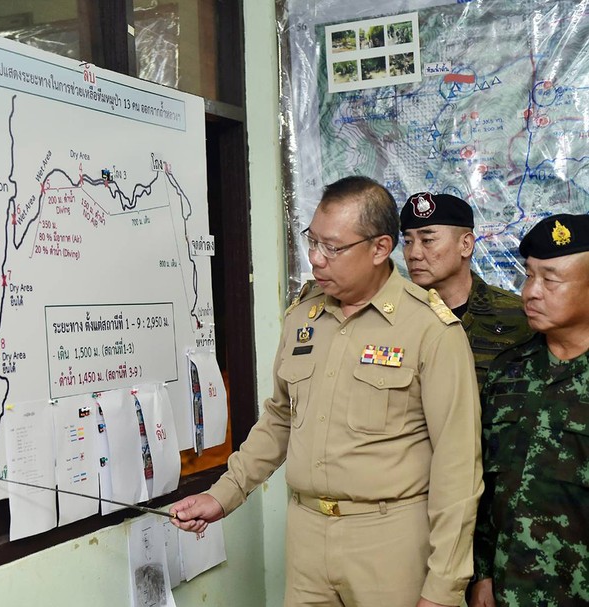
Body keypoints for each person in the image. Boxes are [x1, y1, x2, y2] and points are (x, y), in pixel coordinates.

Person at [171, 176, 483, 607]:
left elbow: (458, 466)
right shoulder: (304, 316)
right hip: (307, 541)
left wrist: (444, 587)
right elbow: (280, 419)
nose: (316, 259)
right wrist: (223, 494)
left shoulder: (430, 330)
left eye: (333, 248)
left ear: (379, 248)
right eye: (312, 241)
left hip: (389, 541)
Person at [470, 213, 589, 607]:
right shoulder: (508, 371)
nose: (530, 292)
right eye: (528, 275)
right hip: (507, 589)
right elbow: (485, 486)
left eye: (550, 280)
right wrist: (484, 574)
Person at [400, 192, 531, 387]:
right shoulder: (396, 316)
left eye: (427, 240)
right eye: (408, 242)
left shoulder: (518, 316)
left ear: (466, 244)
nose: (414, 254)